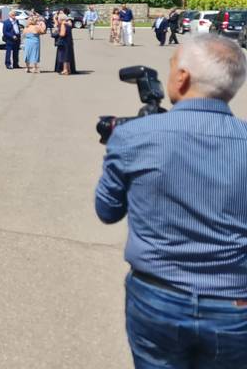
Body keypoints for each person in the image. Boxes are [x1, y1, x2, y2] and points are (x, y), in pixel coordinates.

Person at [95, 34, 247, 367]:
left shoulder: (134, 136)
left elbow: (106, 210)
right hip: (236, 305)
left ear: (182, 77)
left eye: (172, 64)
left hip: (157, 298)